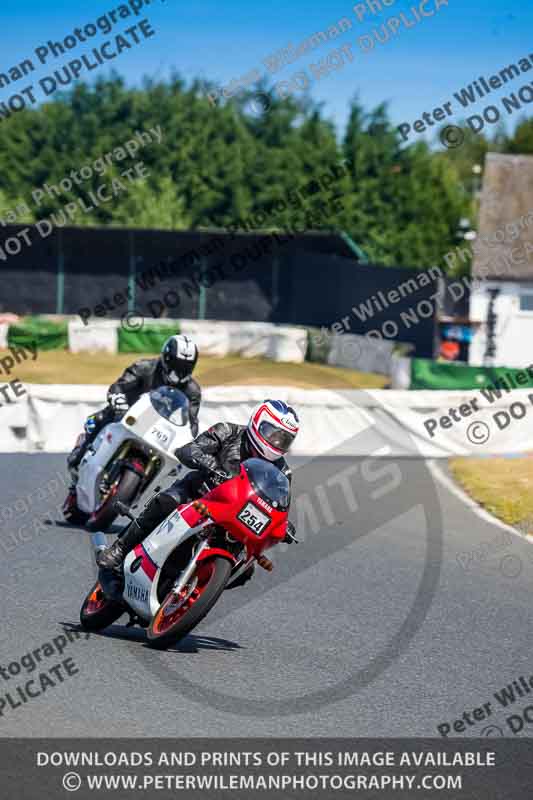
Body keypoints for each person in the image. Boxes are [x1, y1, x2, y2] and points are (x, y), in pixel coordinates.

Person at [97, 399, 300, 589]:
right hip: (198, 495)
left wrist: (283, 524)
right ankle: (120, 549)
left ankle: (197, 590)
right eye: (273, 433)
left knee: (246, 570)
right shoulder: (228, 431)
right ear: (257, 423)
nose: (276, 442)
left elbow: (279, 502)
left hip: (233, 518)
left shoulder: (283, 471)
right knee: (168, 501)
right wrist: (212, 466)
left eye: (283, 439)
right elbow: (188, 450)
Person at [64, 335, 201, 513]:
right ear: (166, 358)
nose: (179, 371)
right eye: (176, 364)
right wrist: (118, 399)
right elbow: (119, 387)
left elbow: (191, 421)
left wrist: (188, 443)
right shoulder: (144, 367)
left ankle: (143, 491)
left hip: (160, 428)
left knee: (175, 466)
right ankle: (79, 455)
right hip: (126, 413)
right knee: (96, 421)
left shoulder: (192, 390)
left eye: (185, 367)